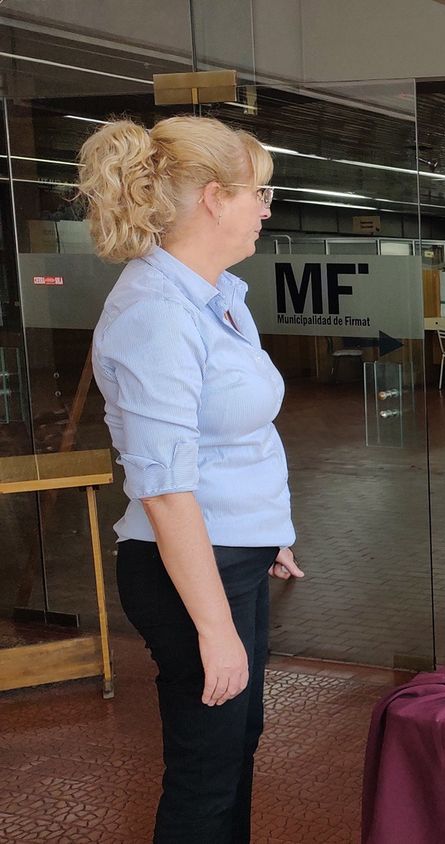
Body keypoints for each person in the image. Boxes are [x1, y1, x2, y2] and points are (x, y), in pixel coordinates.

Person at [79, 115, 305, 843]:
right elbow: (166, 486)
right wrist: (213, 627)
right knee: (205, 772)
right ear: (214, 197)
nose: (267, 210)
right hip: (185, 568)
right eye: (260, 194)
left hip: (229, 553)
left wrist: (269, 531)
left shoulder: (217, 297)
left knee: (238, 742)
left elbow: (236, 437)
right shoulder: (155, 311)